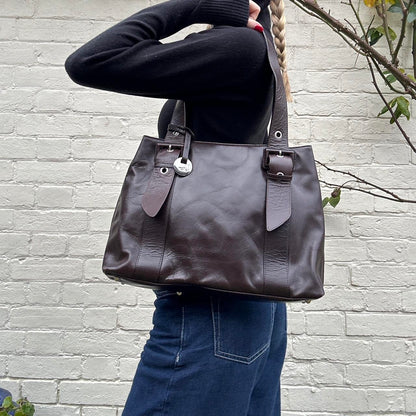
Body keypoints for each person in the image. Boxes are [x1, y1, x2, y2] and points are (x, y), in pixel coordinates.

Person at [64, 0, 291, 414]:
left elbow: (90, 61)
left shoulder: (237, 46)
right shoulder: (255, 49)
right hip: (248, 298)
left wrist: (198, 7)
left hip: (209, 303)